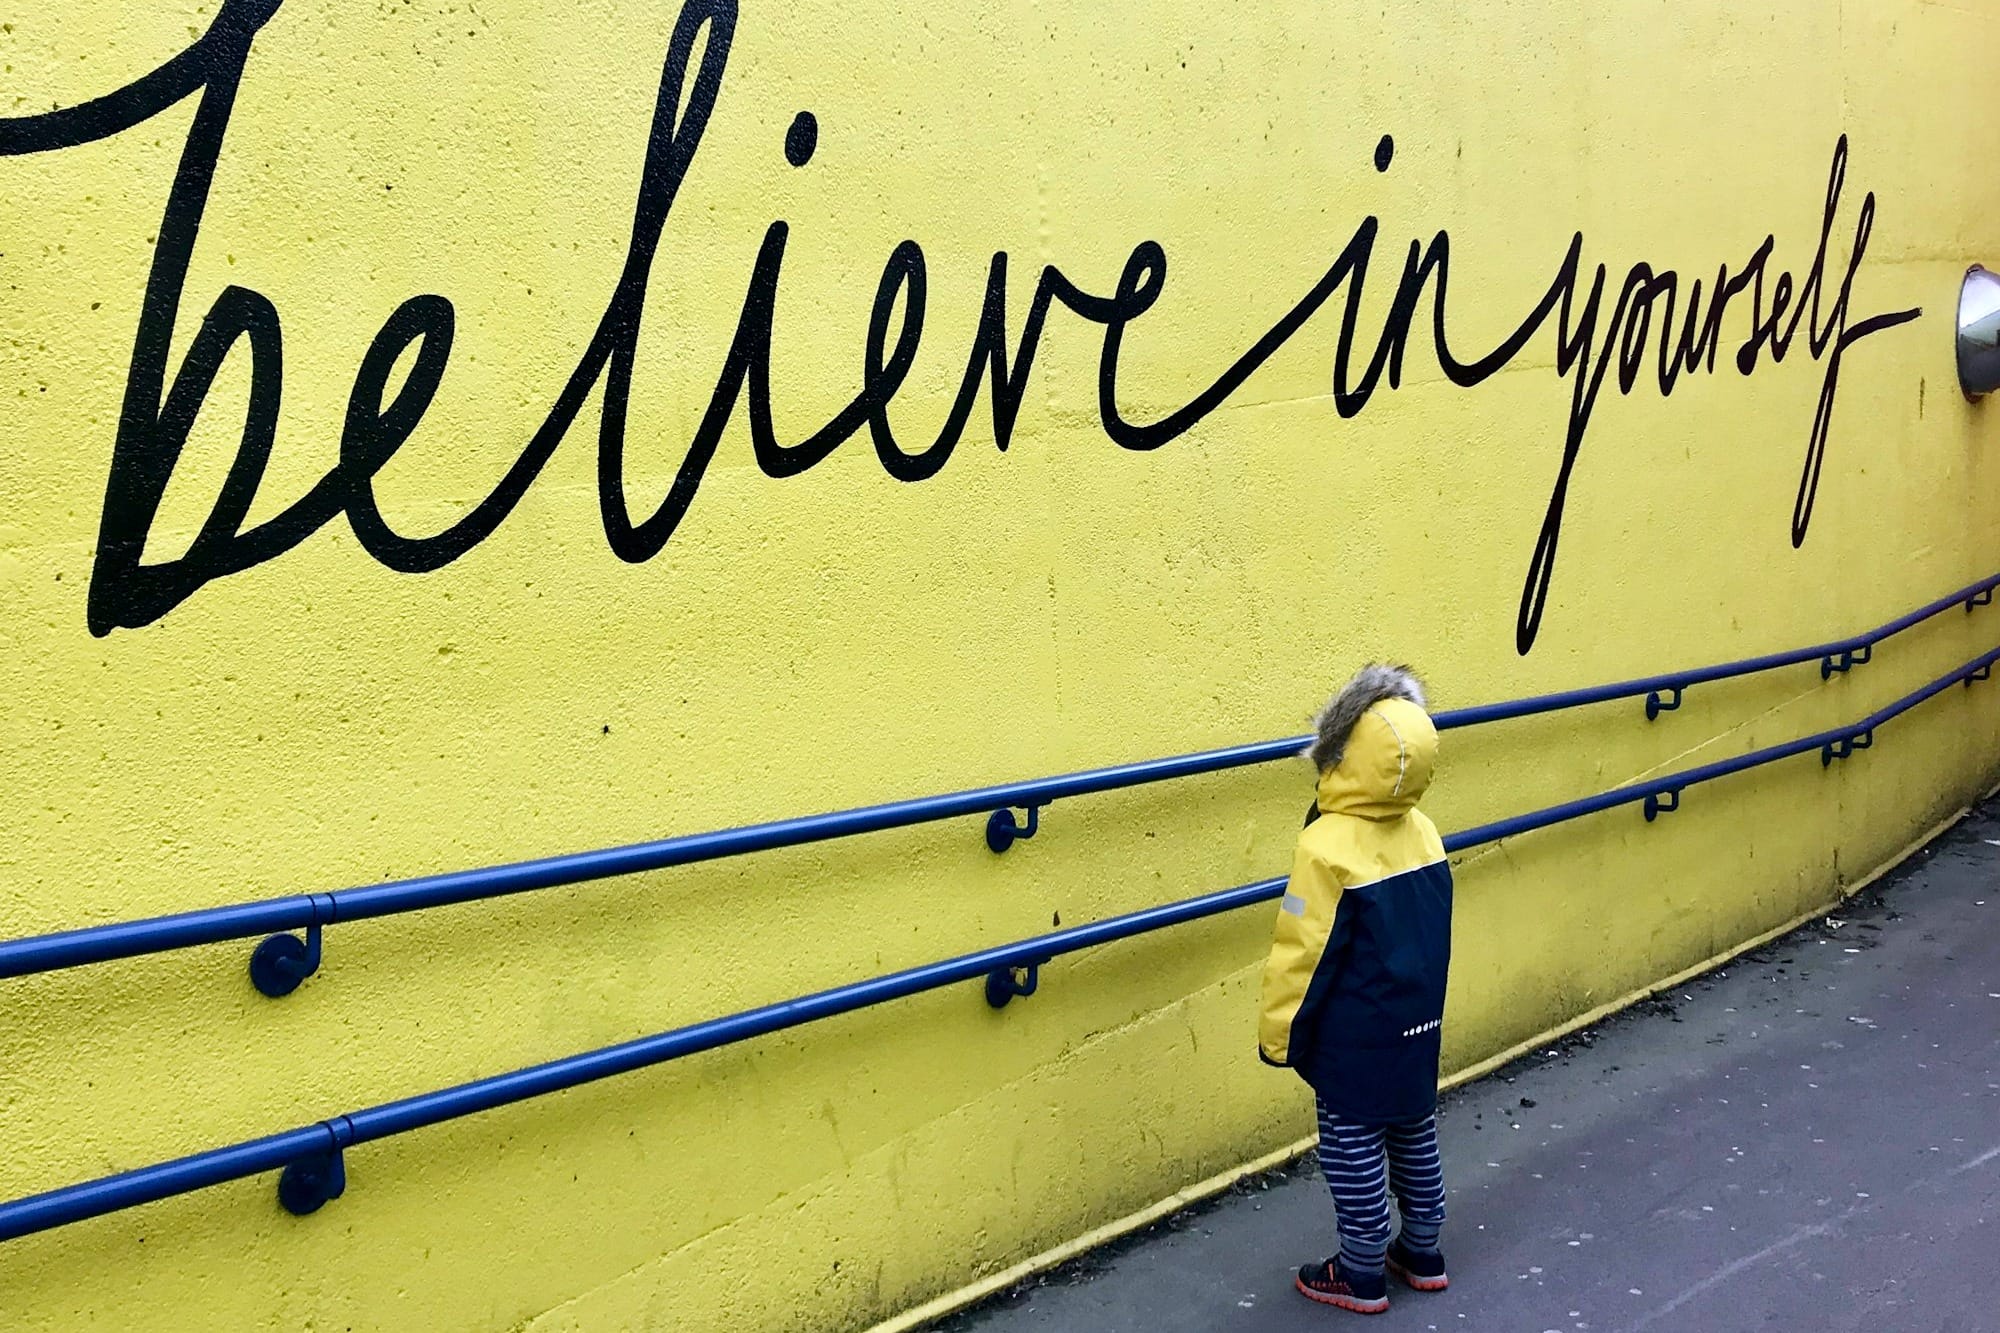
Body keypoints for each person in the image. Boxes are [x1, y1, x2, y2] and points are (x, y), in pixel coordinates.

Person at [1258, 664, 1454, 1314]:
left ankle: (1362, 1268)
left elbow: (1302, 951)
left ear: (1340, 754)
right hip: (1416, 1025)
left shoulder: (1325, 845)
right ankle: (1422, 1249)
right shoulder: (1424, 831)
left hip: (1354, 1037)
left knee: (1351, 1144)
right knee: (1414, 1130)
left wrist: (1279, 1034)